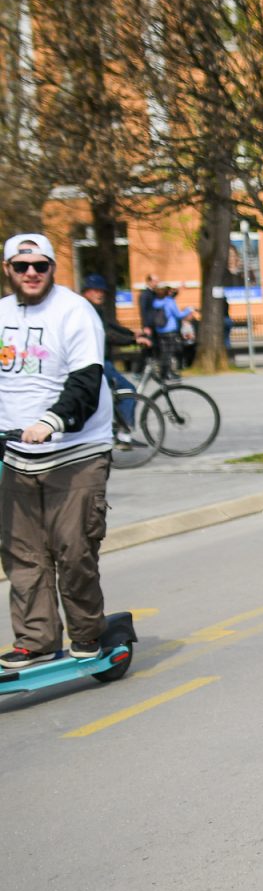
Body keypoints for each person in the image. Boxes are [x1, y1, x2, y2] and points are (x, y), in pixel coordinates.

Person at [0, 234, 116, 666]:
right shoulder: (1, 314)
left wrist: (52, 421)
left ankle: (87, 632)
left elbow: (86, 380)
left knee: (74, 550)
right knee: (22, 555)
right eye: (21, 265)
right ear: (8, 268)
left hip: (76, 451)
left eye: (40, 265)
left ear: (52, 268)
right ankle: (36, 639)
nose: (31, 273)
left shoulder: (74, 311)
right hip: (16, 455)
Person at [80, 275, 138, 431]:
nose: (100, 294)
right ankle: (124, 434)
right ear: (86, 292)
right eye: (96, 290)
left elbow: (112, 327)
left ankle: (114, 428)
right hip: (97, 361)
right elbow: (107, 334)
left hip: (98, 361)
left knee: (109, 397)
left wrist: (133, 335)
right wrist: (133, 340)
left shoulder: (93, 309)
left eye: (102, 291)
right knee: (127, 391)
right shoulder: (87, 311)